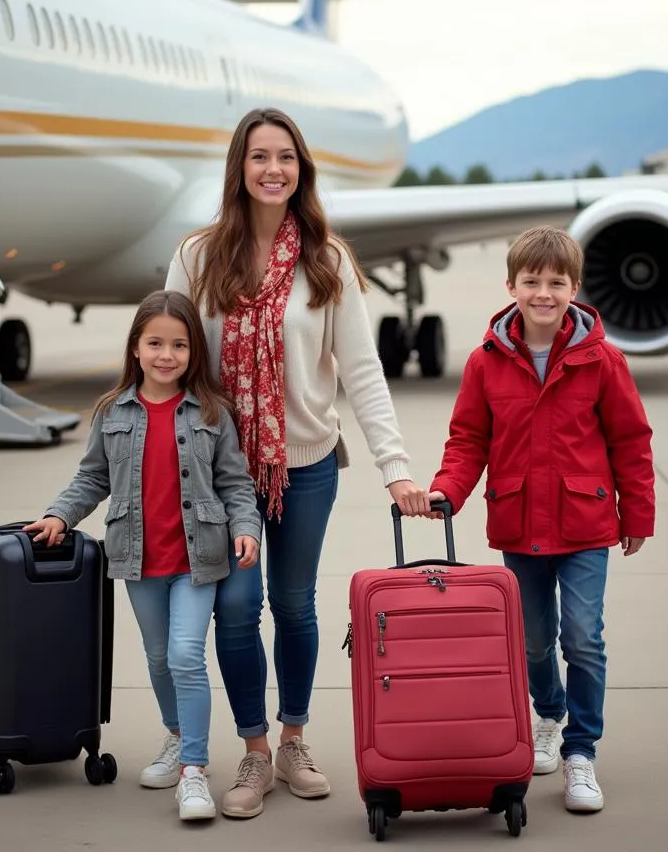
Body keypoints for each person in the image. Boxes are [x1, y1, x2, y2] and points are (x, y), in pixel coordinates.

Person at [165, 106, 429, 819]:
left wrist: (395, 467)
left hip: (307, 464)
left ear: (301, 168)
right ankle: (253, 752)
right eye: (259, 157)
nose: (273, 169)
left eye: (285, 156)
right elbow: (169, 360)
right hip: (224, 469)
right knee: (238, 609)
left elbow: (363, 372)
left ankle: (293, 739)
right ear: (239, 168)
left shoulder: (326, 260)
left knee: (295, 605)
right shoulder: (196, 257)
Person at [423, 225, 654, 814]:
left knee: (583, 636)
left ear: (575, 288)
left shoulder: (603, 361)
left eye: (556, 282)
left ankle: (582, 751)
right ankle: (548, 715)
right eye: (532, 281)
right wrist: (448, 489)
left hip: (586, 524)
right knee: (530, 642)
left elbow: (630, 440)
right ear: (512, 286)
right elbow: (469, 438)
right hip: (519, 522)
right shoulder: (485, 361)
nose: (543, 293)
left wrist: (638, 513)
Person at [23, 290, 262, 823]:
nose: (166, 355)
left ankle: (194, 772)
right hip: (136, 559)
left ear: (193, 353)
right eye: (155, 343)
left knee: (184, 657)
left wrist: (247, 530)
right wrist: (60, 515)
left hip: (198, 559)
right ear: (135, 347)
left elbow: (236, 483)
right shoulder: (113, 411)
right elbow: (92, 477)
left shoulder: (211, 411)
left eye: (179, 345)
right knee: (158, 660)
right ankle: (177, 737)